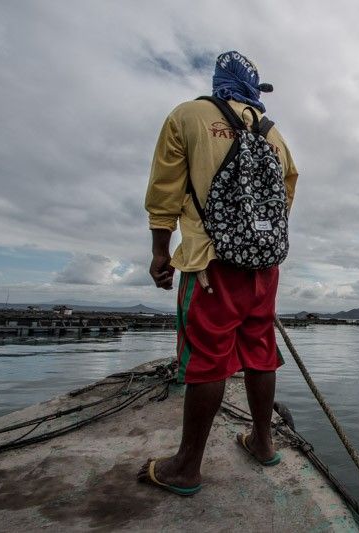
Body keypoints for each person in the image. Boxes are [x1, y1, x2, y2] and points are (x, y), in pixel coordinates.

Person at [138, 51, 298, 495]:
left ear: (218, 82)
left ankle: (186, 467)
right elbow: (286, 195)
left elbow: (164, 190)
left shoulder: (188, 116)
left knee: (207, 358)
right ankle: (263, 444)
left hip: (211, 263)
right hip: (264, 268)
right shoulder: (274, 134)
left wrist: (160, 251)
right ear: (253, 90)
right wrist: (254, 240)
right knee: (260, 351)